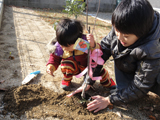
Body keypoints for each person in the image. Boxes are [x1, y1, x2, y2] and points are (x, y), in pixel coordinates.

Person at [67, 0, 160, 113]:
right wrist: (88, 81)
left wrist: (109, 100)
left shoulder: (152, 47)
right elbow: (102, 53)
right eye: (116, 31)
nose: (119, 38)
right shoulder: (123, 25)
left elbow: (142, 84)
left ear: (142, 34)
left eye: (126, 36)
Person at [46, 18, 116, 91]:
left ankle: (109, 82)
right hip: (74, 69)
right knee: (66, 64)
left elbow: (98, 53)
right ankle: (66, 80)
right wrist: (51, 66)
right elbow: (54, 58)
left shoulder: (81, 44)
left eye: (66, 46)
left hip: (87, 68)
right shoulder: (60, 46)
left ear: (76, 42)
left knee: (101, 73)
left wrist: (93, 45)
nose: (63, 47)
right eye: (61, 45)